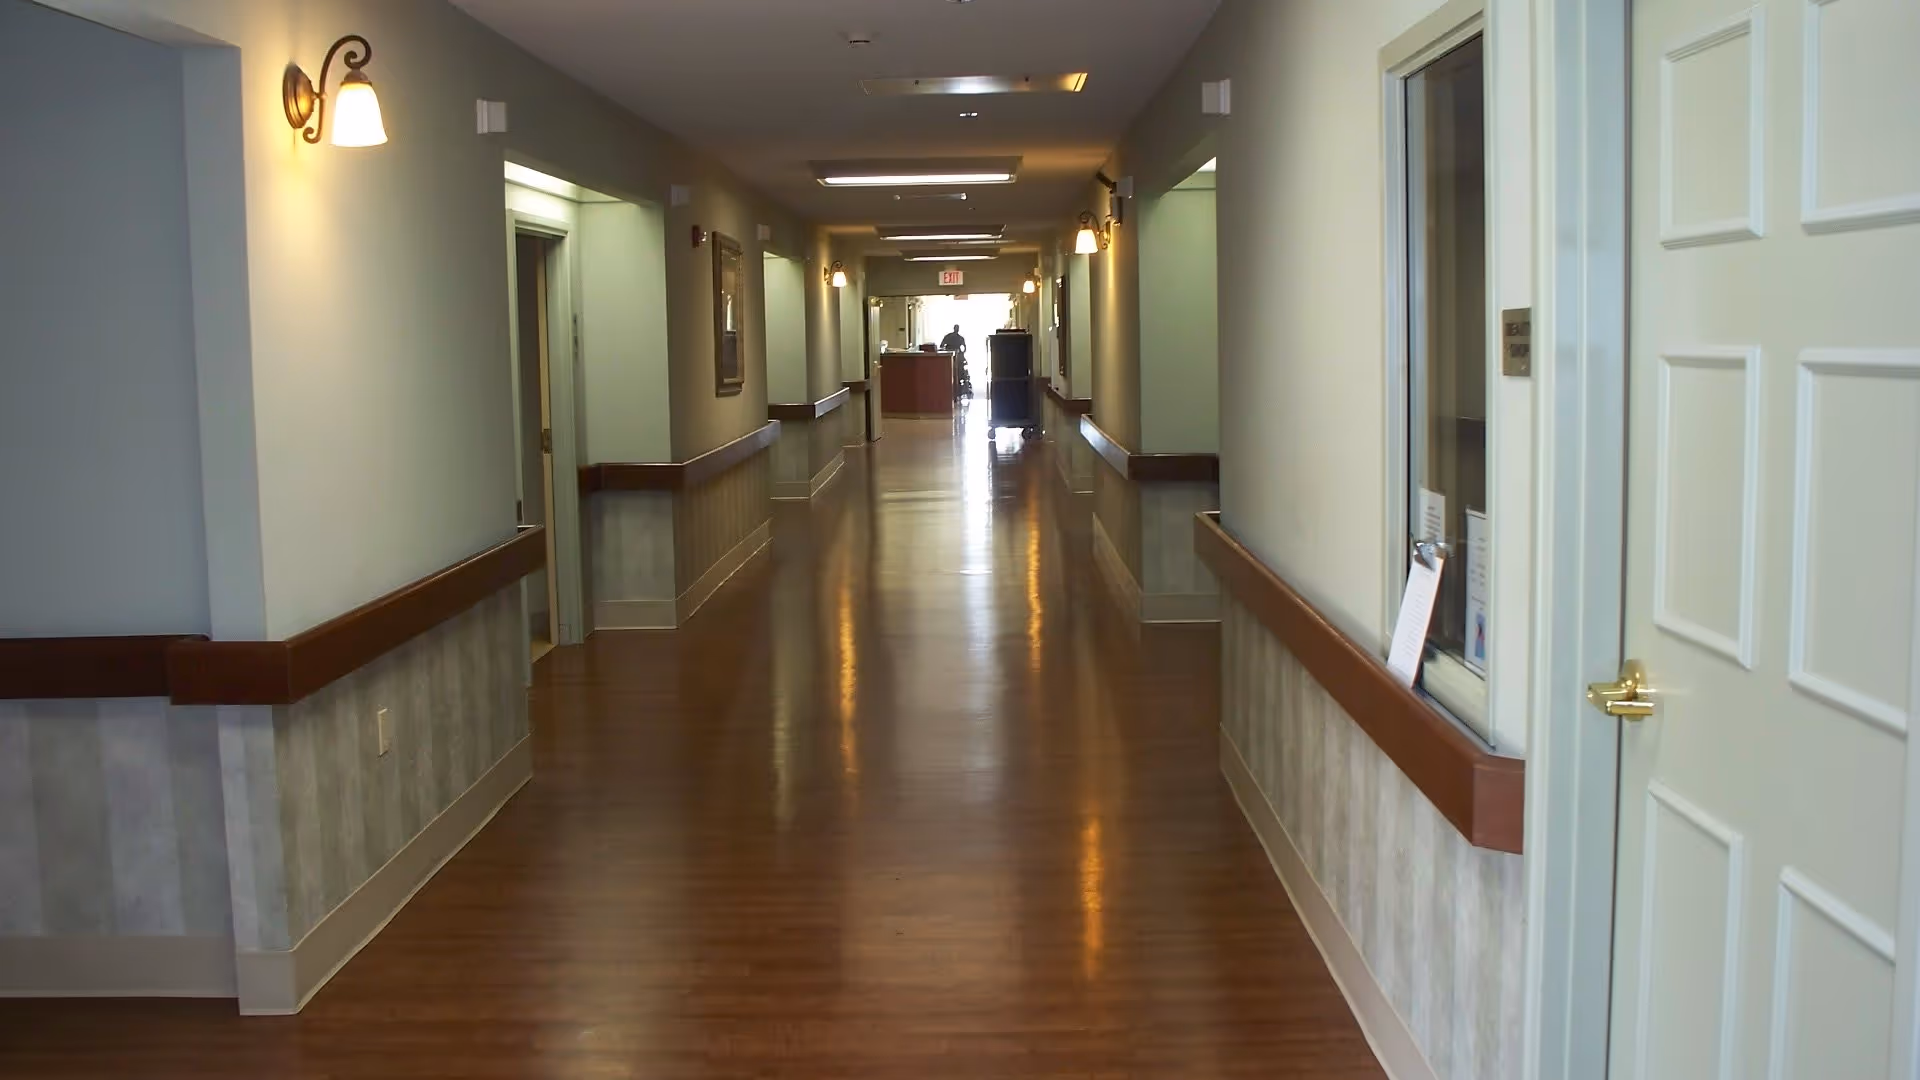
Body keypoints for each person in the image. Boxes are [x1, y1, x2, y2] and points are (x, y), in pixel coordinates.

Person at [939, 325, 973, 398]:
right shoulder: (957, 338)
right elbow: (942, 346)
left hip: (955, 358)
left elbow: (941, 346)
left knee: (960, 371)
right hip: (951, 357)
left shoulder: (951, 337)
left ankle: (958, 386)